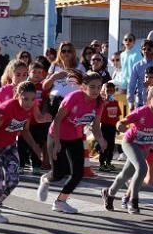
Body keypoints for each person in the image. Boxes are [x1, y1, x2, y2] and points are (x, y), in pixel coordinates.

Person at [37, 72, 107, 214]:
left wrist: (101, 139)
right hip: (57, 135)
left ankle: (60, 202)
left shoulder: (99, 102)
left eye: (99, 87)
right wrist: (56, 142)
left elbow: (95, 126)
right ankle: (45, 180)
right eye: (92, 87)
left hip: (75, 137)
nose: (96, 90)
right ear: (83, 87)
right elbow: (57, 120)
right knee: (58, 174)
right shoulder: (74, 98)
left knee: (78, 173)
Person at [100, 85, 153, 214]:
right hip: (130, 142)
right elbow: (121, 122)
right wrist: (120, 126)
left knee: (126, 174)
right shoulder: (141, 112)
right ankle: (133, 201)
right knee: (142, 169)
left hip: (145, 146)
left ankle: (109, 193)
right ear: (149, 100)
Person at [0, 81, 46, 223]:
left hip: (10, 147)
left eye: (32, 99)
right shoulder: (7, 108)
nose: (29, 103)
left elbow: (25, 130)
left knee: (13, 180)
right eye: (25, 99)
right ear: (17, 95)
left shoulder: (30, 108)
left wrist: (35, 147)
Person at [127, 40, 153, 109]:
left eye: (149, 49)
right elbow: (131, 85)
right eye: (144, 49)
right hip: (140, 102)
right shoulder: (137, 66)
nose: (146, 51)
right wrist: (130, 101)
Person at [115, 34, 143, 117]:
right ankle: (123, 124)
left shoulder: (138, 53)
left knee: (135, 106)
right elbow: (123, 70)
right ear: (123, 41)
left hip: (136, 83)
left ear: (134, 42)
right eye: (126, 40)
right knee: (123, 105)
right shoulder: (122, 54)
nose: (128, 42)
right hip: (124, 83)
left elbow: (139, 69)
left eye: (130, 40)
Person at [98, 81, 120, 172]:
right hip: (105, 126)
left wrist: (118, 126)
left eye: (112, 90)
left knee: (111, 145)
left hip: (113, 127)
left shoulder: (115, 102)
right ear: (104, 91)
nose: (110, 92)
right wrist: (104, 104)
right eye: (108, 91)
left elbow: (117, 115)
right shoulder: (103, 103)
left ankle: (109, 162)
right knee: (104, 145)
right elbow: (99, 116)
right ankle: (102, 164)